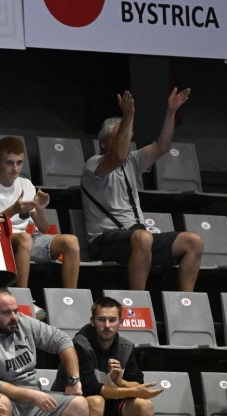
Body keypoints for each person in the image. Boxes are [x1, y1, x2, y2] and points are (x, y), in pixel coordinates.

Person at [82, 88, 202, 291]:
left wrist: (171, 112)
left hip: (136, 237)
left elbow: (162, 146)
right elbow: (117, 156)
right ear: (103, 144)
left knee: (193, 241)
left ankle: (186, 301)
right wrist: (128, 116)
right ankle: (139, 299)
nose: (126, 142)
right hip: (105, 240)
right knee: (143, 237)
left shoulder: (132, 160)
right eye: (120, 137)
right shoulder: (94, 164)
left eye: (128, 136)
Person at [53, 297, 160, 416]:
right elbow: (90, 388)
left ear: (120, 322)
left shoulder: (125, 347)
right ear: (92, 321)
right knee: (96, 401)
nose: (107, 325)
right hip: (75, 408)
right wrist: (131, 391)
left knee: (145, 405)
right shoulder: (80, 345)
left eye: (112, 320)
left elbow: (137, 382)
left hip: (109, 407)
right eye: (102, 320)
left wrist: (121, 382)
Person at [0, 136, 80, 291]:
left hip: (27, 241)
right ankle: (22, 296)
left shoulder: (26, 184)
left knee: (71, 241)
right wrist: (13, 210)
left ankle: (71, 297)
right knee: (25, 238)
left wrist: (40, 209)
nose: (15, 168)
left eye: (19, 163)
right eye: (9, 163)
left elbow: (44, 228)